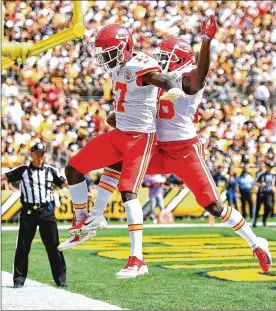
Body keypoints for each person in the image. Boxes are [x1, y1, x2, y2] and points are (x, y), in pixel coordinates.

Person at [79, 16, 272, 274]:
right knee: (119, 159)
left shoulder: (186, 77)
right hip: (157, 147)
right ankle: (98, 217)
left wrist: (206, 41)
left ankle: (256, 242)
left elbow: (200, 76)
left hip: (184, 150)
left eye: (166, 55)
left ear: (179, 59)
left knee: (214, 207)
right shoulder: (154, 77)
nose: (160, 60)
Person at [58, 24, 185, 279]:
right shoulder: (119, 66)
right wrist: (119, 113)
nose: (105, 59)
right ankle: (84, 219)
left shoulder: (140, 65)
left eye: (109, 53)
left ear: (125, 47)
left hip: (140, 138)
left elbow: (162, 79)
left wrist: (171, 87)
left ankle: (137, 258)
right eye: (103, 54)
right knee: (73, 168)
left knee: (128, 191)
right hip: (120, 133)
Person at [1, 143, 67, 288]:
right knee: (23, 246)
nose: (40, 156)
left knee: (54, 246)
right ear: (31, 154)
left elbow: (64, 184)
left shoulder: (50, 170)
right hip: (28, 212)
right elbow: (4, 176)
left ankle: (61, 279)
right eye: (37, 153)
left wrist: (82, 191)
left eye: (42, 153)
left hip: (46, 212)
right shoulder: (23, 170)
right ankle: (18, 280)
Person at [253, 161, 275, 228]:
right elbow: (255, 182)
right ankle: (254, 222)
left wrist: (273, 187)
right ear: (267, 167)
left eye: (271, 167)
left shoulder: (273, 174)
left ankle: (264, 220)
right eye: (269, 167)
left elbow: (274, 183)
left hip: (269, 193)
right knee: (258, 208)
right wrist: (260, 185)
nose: (270, 168)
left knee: (269, 207)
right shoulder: (261, 174)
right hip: (261, 193)